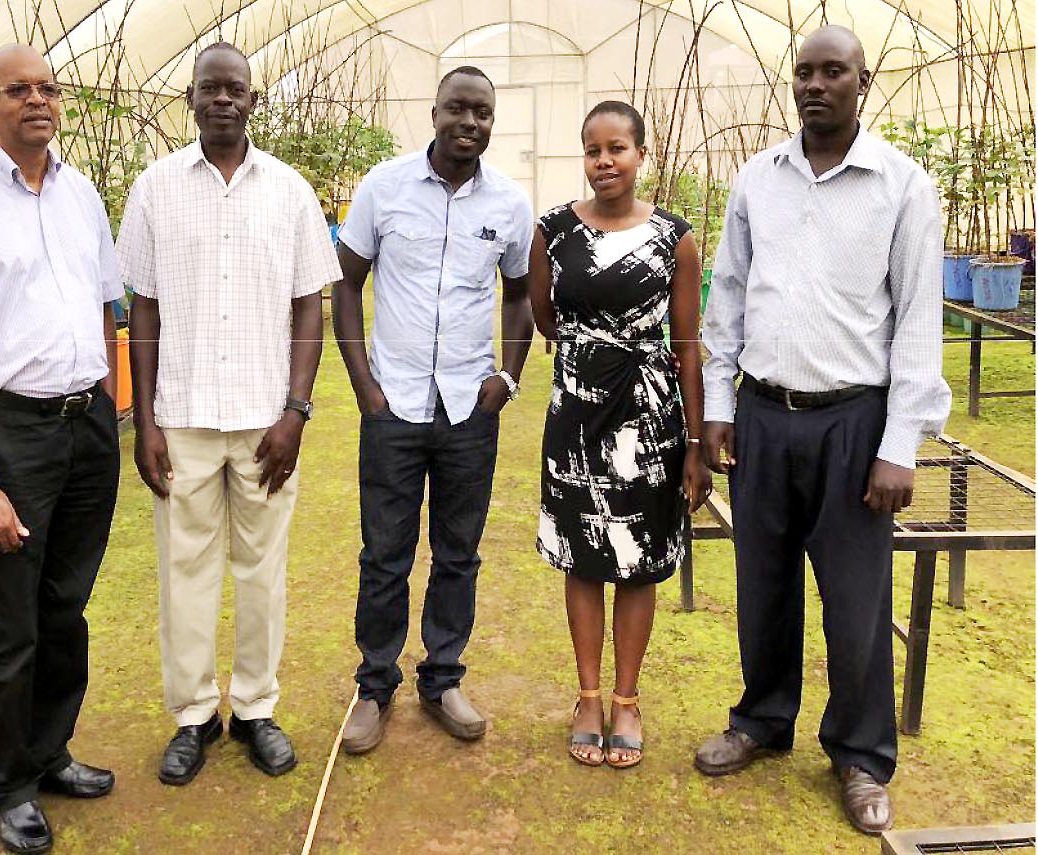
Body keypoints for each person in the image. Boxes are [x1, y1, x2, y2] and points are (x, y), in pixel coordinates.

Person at [695, 26, 950, 835]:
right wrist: (719, 408)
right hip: (766, 415)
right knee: (762, 584)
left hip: (854, 422)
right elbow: (727, 297)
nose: (815, 84)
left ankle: (862, 753)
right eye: (803, 72)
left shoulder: (902, 186)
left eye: (832, 71)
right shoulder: (756, 181)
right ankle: (762, 720)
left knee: (856, 602)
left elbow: (917, 318)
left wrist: (899, 442)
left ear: (862, 84)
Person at [116, 42, 341, 786]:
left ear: (252, 101)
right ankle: (193, 716)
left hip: (264, 420)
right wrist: (144, 420)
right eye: (209, 88)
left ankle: (254, 708)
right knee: (184, 570)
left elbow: (310, 302)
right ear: (190, 98)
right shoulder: (154, 189)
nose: (222, 99)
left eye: (234, 89)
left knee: (262, 569)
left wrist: (297, 411)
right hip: (180, 414)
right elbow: (141, 306)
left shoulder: (290, 191)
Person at [0, 44, 122, 855]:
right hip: (14, 434)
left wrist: (108, 403)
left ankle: (50, 753)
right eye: (17, 90)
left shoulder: (81, 197)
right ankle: (7, 784)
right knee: (11, 623)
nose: (37, 100)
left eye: (47, 88)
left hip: (88, 428)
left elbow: (108, 308)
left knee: (65, 608)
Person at [333, 66, 535, 754]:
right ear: (435, 111)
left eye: (483, 112)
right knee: (384, 553)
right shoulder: (383, 189)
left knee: (458, 552)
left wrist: (506, 376)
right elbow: (346, 286)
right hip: (393, 405)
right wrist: (364, 387)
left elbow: (519, 295)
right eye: (458, 108)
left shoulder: (509, 202)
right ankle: (373, 684)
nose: (470, 122)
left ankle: (443, 675)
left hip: (467, 410)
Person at [528, 101, 710, 769]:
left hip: (651, 418)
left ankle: (627, 700)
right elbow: (544, 316)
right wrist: (594, 353)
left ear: (640, 155)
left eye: (617, 148)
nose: (604, 160)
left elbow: (688, 344)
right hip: (577, 412)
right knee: (584, 552)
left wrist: (694, 443)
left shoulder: (675, 237)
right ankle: (586, 694)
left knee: (639, 554)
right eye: (593, 149)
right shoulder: (552, 231)